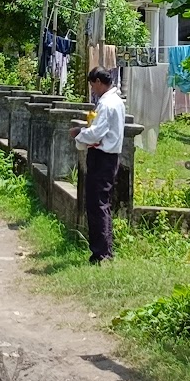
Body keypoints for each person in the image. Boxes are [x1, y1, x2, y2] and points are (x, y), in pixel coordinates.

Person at [73, 67, 125, 264]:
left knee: (97, 204)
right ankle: (105, 250)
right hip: (109, 157)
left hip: (102, 157)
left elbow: (96, 133)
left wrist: (79, 134)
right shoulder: (116, 101)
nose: (92, 90)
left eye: (92, 85)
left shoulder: (106, 104)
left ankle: (100, 253)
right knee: (102, 203)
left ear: (97, 82)